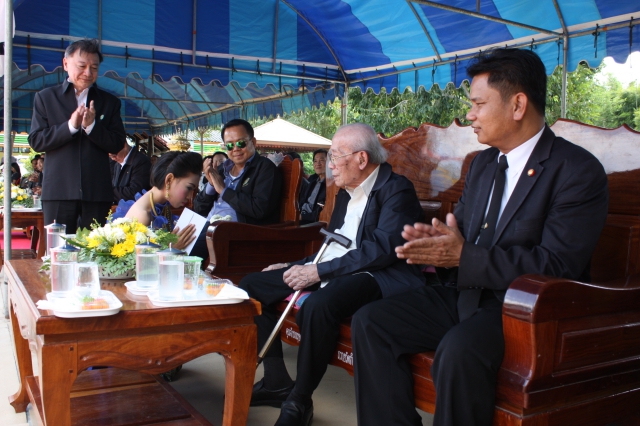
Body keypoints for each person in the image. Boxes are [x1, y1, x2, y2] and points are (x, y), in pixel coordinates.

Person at [351, 48, 609, 426]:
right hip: (467, 293)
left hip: (524, 312)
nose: (470, 114)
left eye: (478, 104)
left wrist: (462, 255)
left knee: (458, 351)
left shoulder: (576, 170)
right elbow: (461, 234)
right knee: (370, 322)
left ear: (517, 105)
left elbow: (557, 265)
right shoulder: (484, 163)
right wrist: (436, 243)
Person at [240, 123, 425, 426]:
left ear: (361, 159)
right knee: (252, 284)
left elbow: (381, 251)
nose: (330, 165)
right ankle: (275, 381)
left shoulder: (396, 190)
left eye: (335, 156)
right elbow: (333, 246)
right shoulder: (344, 193)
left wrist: (318, 271)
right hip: (335, 268)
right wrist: (295, 264)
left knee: (318, 306)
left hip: (376, 274)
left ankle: (299, 400)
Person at [28, 38, 125, 233]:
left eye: (94, 68)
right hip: (59, 191)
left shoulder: (109, 102)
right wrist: (70, 126)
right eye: (82, 66)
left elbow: (117, 143)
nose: (88, 73)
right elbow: (36, 140)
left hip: (97, 193)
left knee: (96, 247)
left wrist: (92, 127)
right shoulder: (46, 98)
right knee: (58, 247)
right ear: (66, 64)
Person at [193, 118, 282, 224]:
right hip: (209, 225)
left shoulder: (265, 168)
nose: (235, 149)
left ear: (253, 142)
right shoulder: (221, 170)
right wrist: (211, 185)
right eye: (230, 145)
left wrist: (223, 190)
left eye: (241, 143)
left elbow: (259, 209)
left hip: (238, 230)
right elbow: (199, 209)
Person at [119, 151, 201, 250]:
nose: (190, 196)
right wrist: (172, 248)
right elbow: (136, 258)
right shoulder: (142, 215)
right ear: (169, 179)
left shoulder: (161, 205)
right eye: (189, 188)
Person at [298, 149, 327, 224]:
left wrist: (302, 217)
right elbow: (302, 202)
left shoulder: (330, 186)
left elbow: (321, 213)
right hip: (301, 216)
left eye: (321, 160)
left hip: (312, 223)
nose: (318, 164)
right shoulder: (312, 182)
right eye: (315, 161)